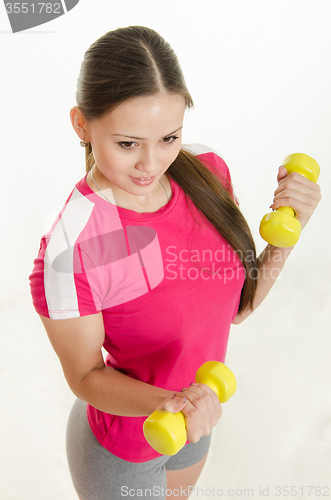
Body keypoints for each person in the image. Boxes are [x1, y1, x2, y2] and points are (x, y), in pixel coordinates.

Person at [29, 26, 321, 500]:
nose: (152, 163)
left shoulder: (207, 171)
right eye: (127, 144)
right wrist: (174, 402)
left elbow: (233, 308)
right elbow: (85, 378)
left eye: (168, 137)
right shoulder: (71, 247)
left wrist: (291, 231)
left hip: (194, 420)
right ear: (82, 125)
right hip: (125, 444)